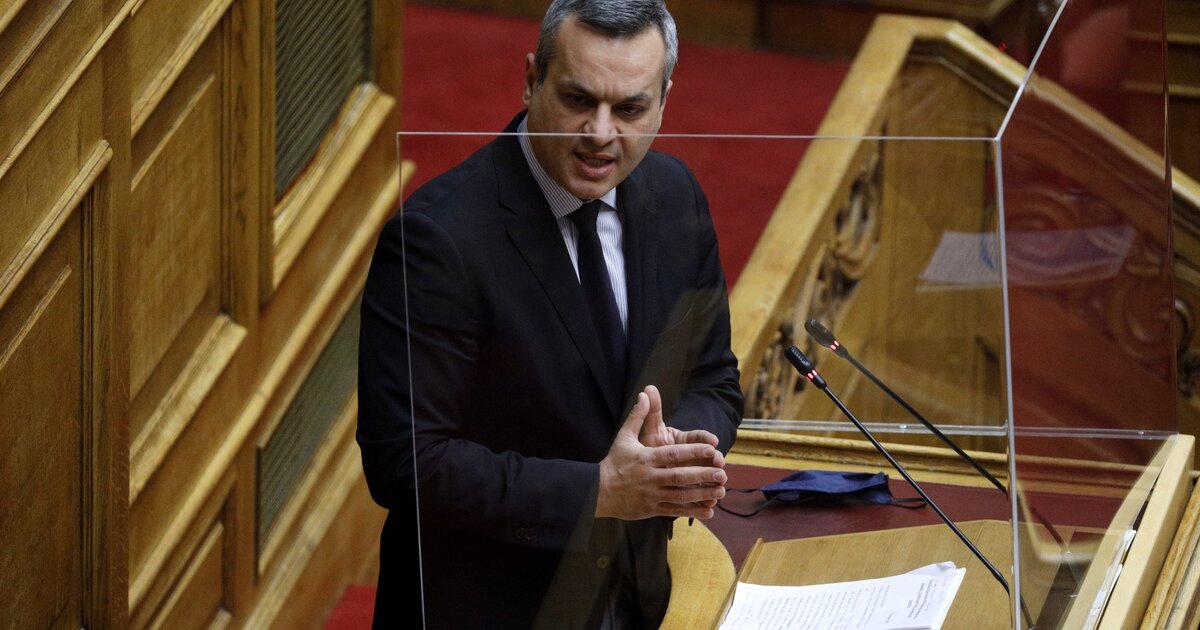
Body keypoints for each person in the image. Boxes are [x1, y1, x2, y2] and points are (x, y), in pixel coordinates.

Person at [357, 1, 743, 627]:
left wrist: (676, 448)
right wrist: (600, 491)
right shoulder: (436, 240)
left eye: (630, 109)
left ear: (664, 100)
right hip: (494, 608)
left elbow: (713, 378)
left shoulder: (676, 197)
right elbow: (405, 463)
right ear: (531, 79)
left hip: (642, 595)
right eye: (578, 99)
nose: (600, 133)